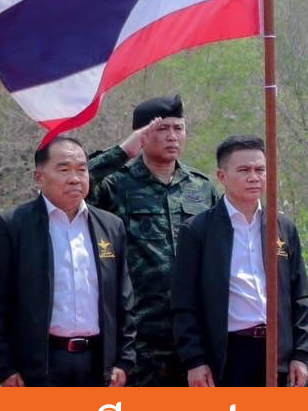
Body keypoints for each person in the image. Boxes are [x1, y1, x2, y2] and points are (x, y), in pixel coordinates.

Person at [0, 136, 136, 411]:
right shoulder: (13, 225)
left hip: (96, 365)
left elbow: (123, 300)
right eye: (63, 169)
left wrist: (124, 361)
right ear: (40, 176)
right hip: (42, 366)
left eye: (82, 169)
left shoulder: (110, 226)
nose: (75, 178)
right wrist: (4, 368)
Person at [172, 135, 308, 411]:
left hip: (273, 355)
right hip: (227, 356)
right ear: (222, 176)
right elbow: (183, 303)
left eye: (260, 170)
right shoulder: (199, 230)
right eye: (244, 170)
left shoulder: (282, 226)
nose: (254, 177)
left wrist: (300, 354)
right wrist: (194, 360)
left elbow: (299, 295)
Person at [87, 95, 220, 389]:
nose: (173, 136)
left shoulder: (201, 187)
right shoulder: (116, 183)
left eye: (178, 128)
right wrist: (123, 151)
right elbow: (75, 185)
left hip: (195, 334)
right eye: (162, 129)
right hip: (139, 334)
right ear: (142, 135)